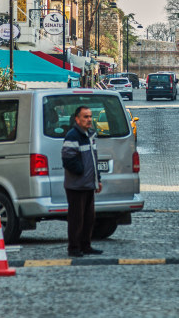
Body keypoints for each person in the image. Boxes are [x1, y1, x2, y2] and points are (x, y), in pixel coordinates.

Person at [61, 106, 103, 257]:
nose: (89, 119)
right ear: (77, 119)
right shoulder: (73, 136)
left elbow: (94, 159)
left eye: (90, 116)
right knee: (76, 219)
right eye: (85, 117)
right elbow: (67, 159)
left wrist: (97, 179)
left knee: (89, 218)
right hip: (76, 185)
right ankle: (74, 248)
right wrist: (82, 172)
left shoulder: (90, 135)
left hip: (88, 184)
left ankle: (86, 246)